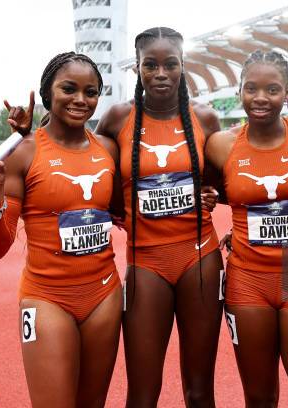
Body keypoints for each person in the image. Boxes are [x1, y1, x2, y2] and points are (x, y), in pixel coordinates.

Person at [0, 52, 123, 407]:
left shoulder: (108, 149)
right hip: (48, 299)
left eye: (91, 92)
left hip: (105, 296)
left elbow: (128, 211)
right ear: (48, 93)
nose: (81, 99)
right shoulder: (24, 152)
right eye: (69, 88)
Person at [94, 27, 224, 407]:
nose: (161, 73)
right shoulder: (117, 119)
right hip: (146, 262)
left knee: (200, 391)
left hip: (199, 257)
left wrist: (211, 195)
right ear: (137, 68)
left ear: (184, 67)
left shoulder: (205, 118)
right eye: (151, 65)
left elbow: (219, 185)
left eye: (171, 64)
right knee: (142, 392)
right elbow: (95, 171)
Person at [204, 50, 288, 407]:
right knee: (260, 398)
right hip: (247, 283)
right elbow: (214, 190)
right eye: (251, 88)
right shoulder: (221, 145)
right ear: (240, 92)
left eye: (272, 89)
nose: (260, 98)